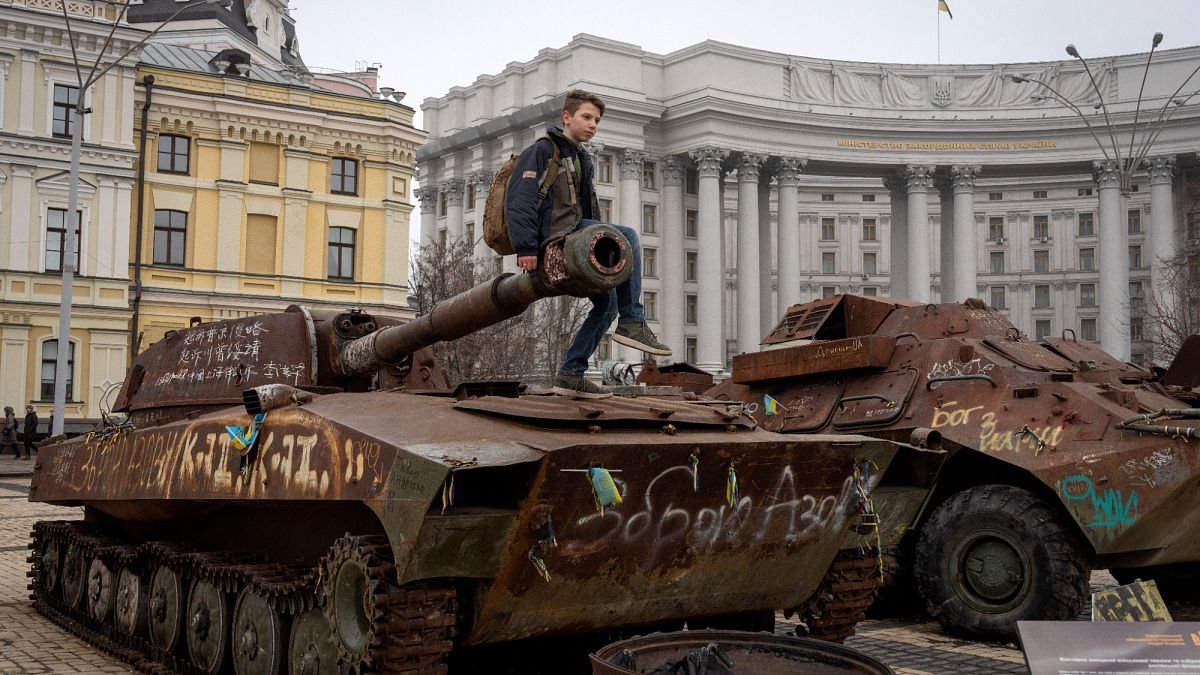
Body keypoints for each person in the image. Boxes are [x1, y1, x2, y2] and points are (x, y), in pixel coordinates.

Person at [507, 89, 671, 398]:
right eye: (586, 117)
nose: (593, 124)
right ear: (566, 117)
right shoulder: (543, 150)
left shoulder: (580, 156)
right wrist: (527, 248)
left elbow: (586, 210)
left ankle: (571, 373)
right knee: (630, 236)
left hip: (575, 235)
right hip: (555, 237)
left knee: (607, 305)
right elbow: (520, 200)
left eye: (596, 119)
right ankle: (633, 321)